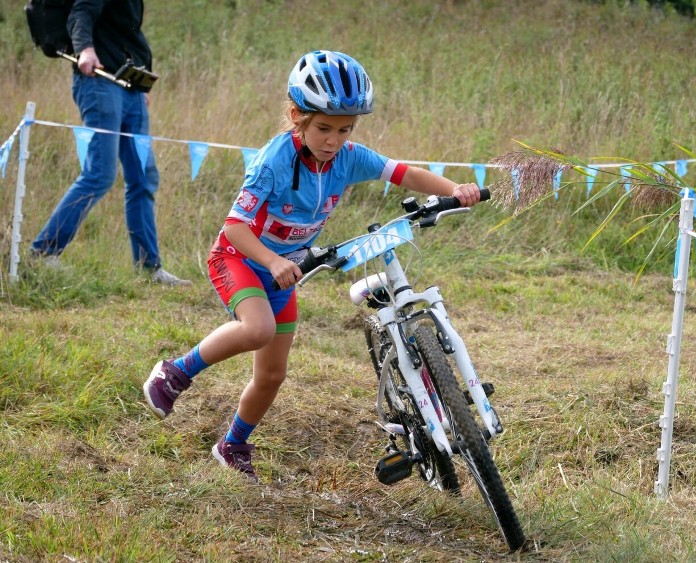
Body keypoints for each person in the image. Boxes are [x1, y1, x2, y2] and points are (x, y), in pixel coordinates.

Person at [142, 50, 482, 482]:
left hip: (285, 273)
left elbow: (406, 174)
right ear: (296, 116)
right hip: (240, 259)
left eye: (345, 129)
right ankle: (175, 372)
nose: (333, 140)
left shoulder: (348, 157)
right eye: (323, 128)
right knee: (258, 329)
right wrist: (271, 260)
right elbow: (234, 229)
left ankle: (233, 445)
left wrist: (457, 189)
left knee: (272, 375)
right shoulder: (274, 160)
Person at [30, 0, 189, 285]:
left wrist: (140, 85)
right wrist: (85, 49)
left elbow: (126, 34)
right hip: (99, 85)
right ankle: (42, 253)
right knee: (100, 175)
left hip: (131, 89)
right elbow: (81, 11)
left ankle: (148, 269)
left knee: (143, 177)